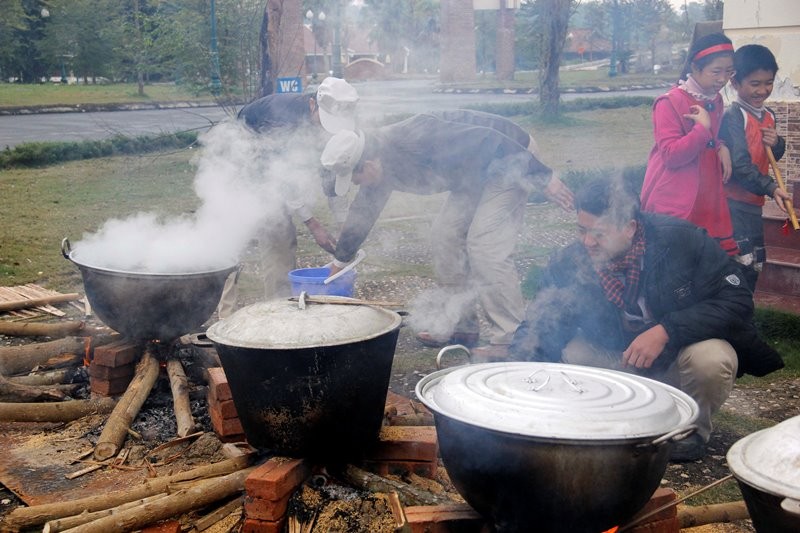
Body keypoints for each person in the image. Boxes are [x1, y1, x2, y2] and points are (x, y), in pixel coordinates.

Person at [509, 177, 783, 461]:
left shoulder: (681, 241)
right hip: (619, 362)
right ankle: (606, 421)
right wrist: (514, 376)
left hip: (675, 361)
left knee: (712, 359)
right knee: (572, 352)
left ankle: (689, 432)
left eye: (599, 234)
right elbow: (542, 322)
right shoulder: (570, 261)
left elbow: (736, 301)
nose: (587, 242)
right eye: (582, 230)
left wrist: (667, 330)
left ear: (629, 228)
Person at [319, 112, 574, 357]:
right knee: (444, 237)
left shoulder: (417, 137)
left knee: (484, 245)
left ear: (370, 162)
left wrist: (542, 176)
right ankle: (463, 327)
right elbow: (362, 214)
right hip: (474, 173)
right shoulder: (379, 165)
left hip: (511, 158)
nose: (358, 185)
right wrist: (339, 264)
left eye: (356, 178)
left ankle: (511, 339)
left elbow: (491, 140)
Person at [217, 77, 358, 317]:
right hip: (241, 162)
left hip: (272, 171)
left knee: (282, 242)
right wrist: (313, 224)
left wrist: (342, 221)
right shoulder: (282, 119)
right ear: (313, 104)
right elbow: (281, 177)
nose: (326, 129)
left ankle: (279, 312)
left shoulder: (334, 129)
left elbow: (332, 173)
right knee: (237, 239)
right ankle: (224, 317)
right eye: (324, 122)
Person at [640, 33, 739, 256]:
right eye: (716, 71)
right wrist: (702, 130)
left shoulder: (715, 99)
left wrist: (721, 146)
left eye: (729, 71)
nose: (723, 79)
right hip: (676, 195)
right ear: (695, 68)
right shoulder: (669, 102)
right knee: (676, 261)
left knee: (704, 262)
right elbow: (671, 155)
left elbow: (713, 136)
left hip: (708, 194)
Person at [719, 44, 790, 290]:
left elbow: (773, 155)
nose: (763, 90)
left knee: (755, 262)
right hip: (733, 205)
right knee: (740, 264)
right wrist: (771, 188)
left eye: (768, 83)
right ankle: (732, 317)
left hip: (753, 204)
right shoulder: (734, 116)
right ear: (735, 82)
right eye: (755, 83)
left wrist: (778, 142)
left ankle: (744, 314)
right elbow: (740, 167)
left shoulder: (768, 114)